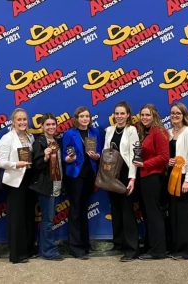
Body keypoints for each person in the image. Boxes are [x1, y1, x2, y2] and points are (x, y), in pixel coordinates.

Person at [62, 106, 103, 259]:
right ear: (76, 118)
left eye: (87, 116)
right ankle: (75, 247)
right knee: (75, 211)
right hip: (75, 176)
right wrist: (68, 159)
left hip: (90, 176)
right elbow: (64, 155)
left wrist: (97, 156)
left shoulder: (95, 132)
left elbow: (100, 153)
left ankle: (85, 244)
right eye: (82, 116)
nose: (85, 119)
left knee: (84, 209)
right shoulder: (69, 134)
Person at [0, 108, 36, 264]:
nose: (22, 122)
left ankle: (27, 250)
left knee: (28, 216)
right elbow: (0, 162)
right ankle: (16, 254)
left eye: (24, 119)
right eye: (19, 120)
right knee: (16, 218)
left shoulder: (31, 137)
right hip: (15, 182)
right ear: (13, 122)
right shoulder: (7, 138)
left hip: (29, 181)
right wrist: (15, 164)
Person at [104, 101, 140, 262]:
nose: (119, 116)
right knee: (116, 210)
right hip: (112, 174)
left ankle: (132, 249)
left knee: (127, 211)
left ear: (127, 115)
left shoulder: (132, 130)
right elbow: (106, 153)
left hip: (126, 173)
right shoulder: (109, 130)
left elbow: (135, 155)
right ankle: (119, 243)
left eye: (122, 113)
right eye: (116, 113)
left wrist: (132, 178)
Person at [133, 104, 169, 260]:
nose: (145, 118)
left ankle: (159, 250)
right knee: (147, 213)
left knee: (154, 214)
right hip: (143, 177)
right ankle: (150, 245)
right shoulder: (142, 131)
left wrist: (145, 164)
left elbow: (164, 157)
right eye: (142, 115)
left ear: (154, 116)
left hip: (153, 177)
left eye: (148, 115)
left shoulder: (159, 132)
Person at [30, 113, 64, 261]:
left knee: (49, 218)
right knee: (48, 220)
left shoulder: (57, 141)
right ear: (42, 126)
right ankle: (48, 251)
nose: (51, 127)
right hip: (45, 185)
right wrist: (44, 157)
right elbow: (35, 165)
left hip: (57, 183)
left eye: (53, 124)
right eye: (48, 124)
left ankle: (45, 248)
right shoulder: (39, 142)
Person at [166, 103, 188, 260]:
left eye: (178, 113)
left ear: (184, 115)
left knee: (185, 214)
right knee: (174, 213)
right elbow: (167, 155)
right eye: (172, 113)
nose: (175, 115)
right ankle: (176, 247)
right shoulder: (169, 132)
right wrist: (168, 162)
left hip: (184, 177)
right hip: (171, 176)